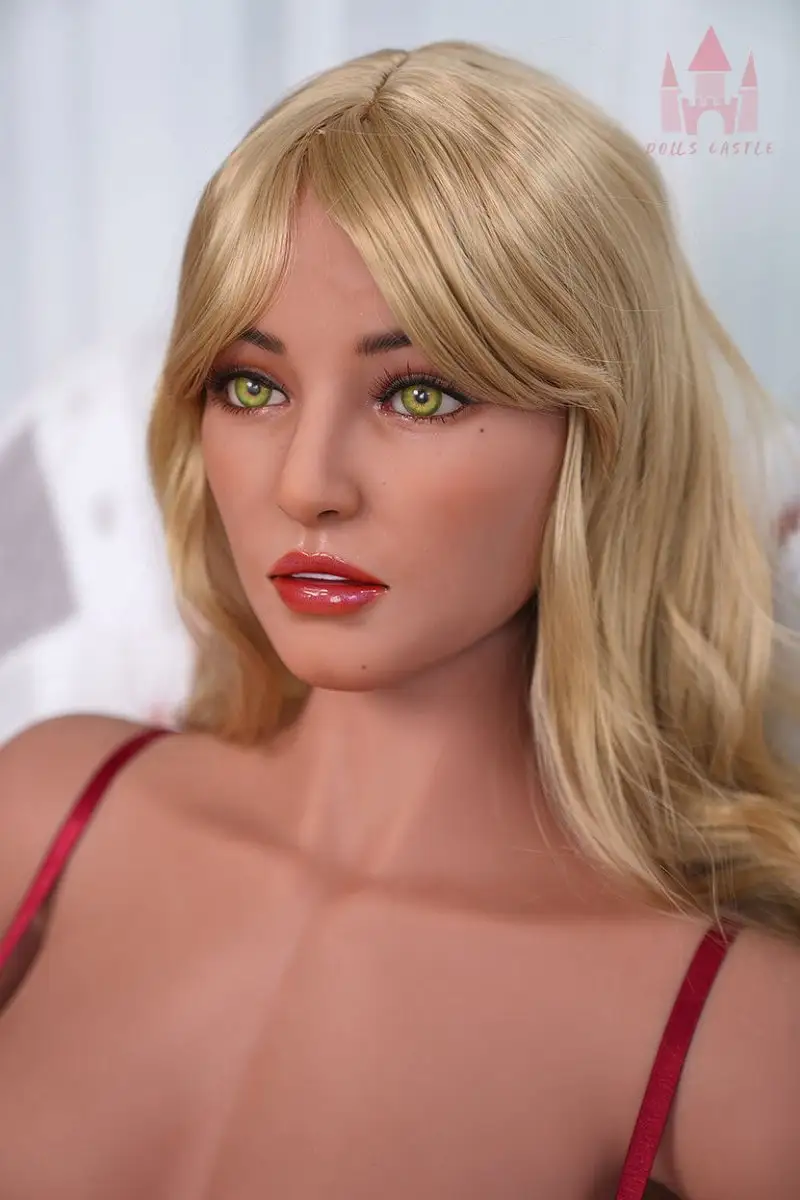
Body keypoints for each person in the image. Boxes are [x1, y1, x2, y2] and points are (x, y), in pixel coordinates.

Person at [0, 39, 798, 1200]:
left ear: (598, 438)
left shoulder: (738, 1041)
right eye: (252, 385)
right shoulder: (41, 815)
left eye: (418, 393)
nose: (306, 482)